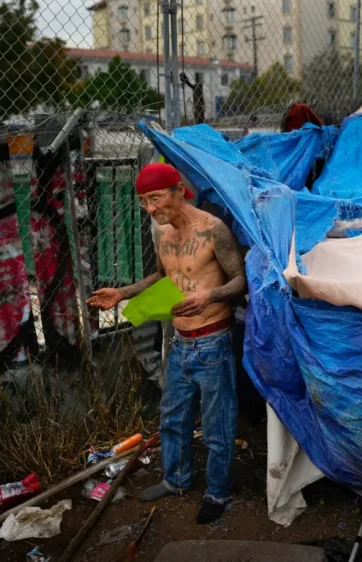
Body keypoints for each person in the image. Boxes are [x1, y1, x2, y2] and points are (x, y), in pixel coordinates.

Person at [87, 161, 246, 524]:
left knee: (217, 425)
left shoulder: (213, 230)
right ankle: (176, 480)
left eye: (155, 198)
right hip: (180, 343)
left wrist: (210, 297)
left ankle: (218, 492)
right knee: (172, 418)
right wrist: (122, 293)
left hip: (212, 342)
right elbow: (165, 275)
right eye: (143, 201)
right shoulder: (162, 233)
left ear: (178, 191)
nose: (150, 208)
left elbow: (241, 280)